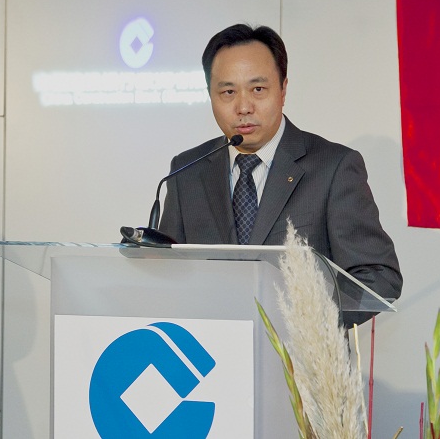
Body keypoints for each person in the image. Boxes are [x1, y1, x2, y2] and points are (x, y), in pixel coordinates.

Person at [159, 24, 402, 323]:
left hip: (299, 350)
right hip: (209, 351)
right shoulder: (187, 172)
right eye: (228, 92)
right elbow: (166, 277)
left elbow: (378, 278)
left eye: (258, 89)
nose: (243, 107)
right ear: (210, 94)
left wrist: (305, 321)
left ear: (283, 89)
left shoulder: (333, 167)